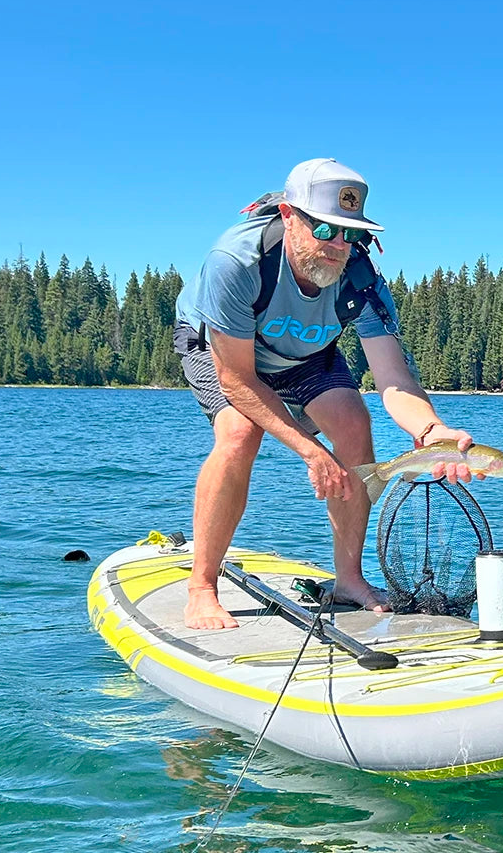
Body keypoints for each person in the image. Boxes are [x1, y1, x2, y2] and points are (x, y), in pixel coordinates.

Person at [173, 157, 478, 630]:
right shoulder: (237, 263)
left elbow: (394, 380)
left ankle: (349, 580)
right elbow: (238, 380)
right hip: (226, 349)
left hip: (308, 355)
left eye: (352, 233)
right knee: (239, 432)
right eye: (325, 229)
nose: (339, 246)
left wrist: (431, 429)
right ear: (289, 216)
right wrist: (311, 451)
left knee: (355, 424)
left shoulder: (362, 283)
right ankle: (202, 588)